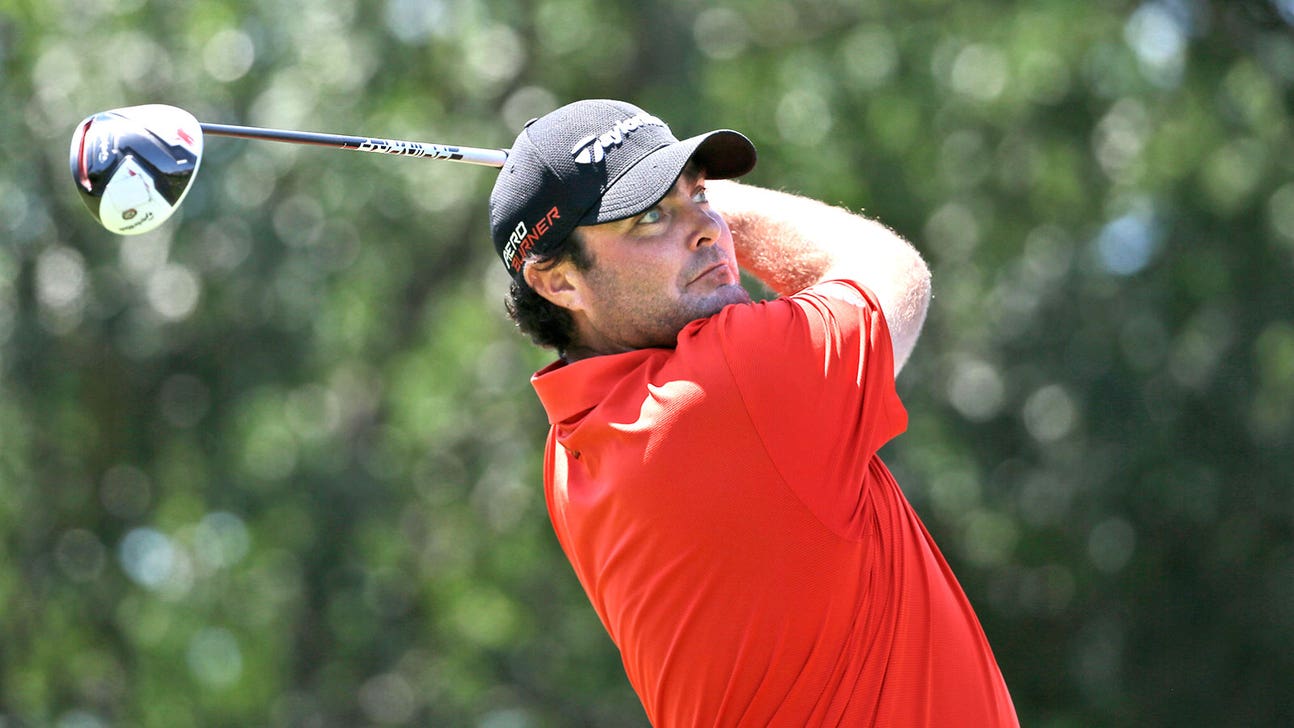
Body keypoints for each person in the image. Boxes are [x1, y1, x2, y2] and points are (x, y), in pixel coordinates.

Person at [488, 99, 1018, 727]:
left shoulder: (569, 451)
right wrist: (730, 202)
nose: (710, 229)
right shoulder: (726, 387)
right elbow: (891, 270)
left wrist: (667, 198)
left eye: (699, 194)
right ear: (559, 282)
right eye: (650, 216)